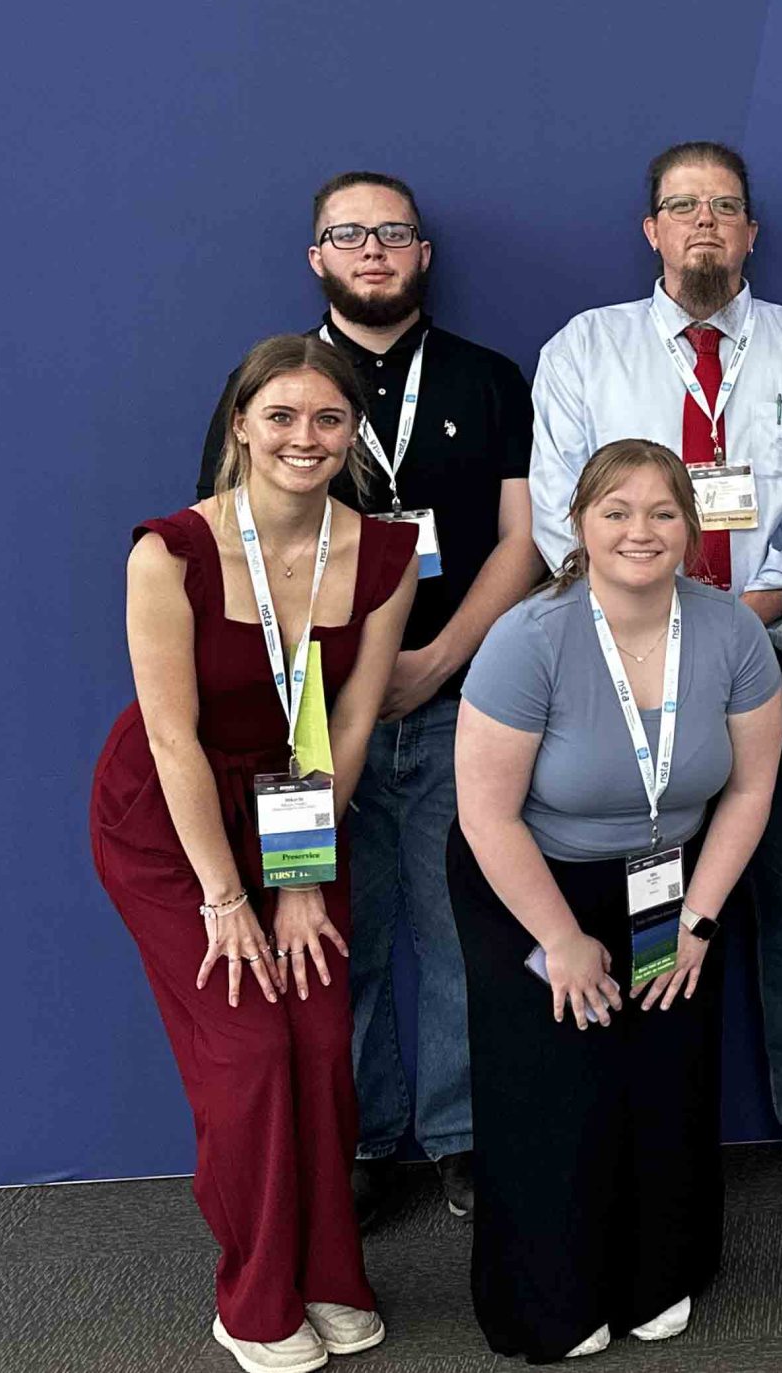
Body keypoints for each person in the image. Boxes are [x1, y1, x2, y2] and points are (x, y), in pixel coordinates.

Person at [194, 171, 542, 1228]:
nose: (374, 248)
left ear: (423, 252)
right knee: (334, 929)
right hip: (310, 713)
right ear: (317, 257)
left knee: (452, 928)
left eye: (394, 232)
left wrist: (435, 659)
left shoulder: (487, 379)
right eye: (349, 233)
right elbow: (231, 544)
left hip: (461, 699)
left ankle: (456, 1134)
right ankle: (351, 1134)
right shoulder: (278, 389)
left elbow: (525, 539)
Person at [527, 141, 782, 1218]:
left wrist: (734, 617)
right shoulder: (586, 350)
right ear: (652, 230)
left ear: (752, 232)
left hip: (772, 660)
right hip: (626, 671)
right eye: (684, 206)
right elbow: (557, 520)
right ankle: (639, 1127)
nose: (705, 223)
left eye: (725, 206)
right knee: (638, 902)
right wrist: (664, 616)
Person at [93, 335, 419, 1373]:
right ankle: (254, 1294)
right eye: (280, 415)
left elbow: (347, 724)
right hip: (169, 819)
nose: (304, 437)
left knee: (322, 1041)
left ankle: (328, 1273)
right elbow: (172, 735)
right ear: (240, 423)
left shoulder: (382, 552)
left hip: (295, 804)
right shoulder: (170, 550)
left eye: (328, 418)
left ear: (351, 433)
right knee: (247, 1055)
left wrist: (298, 882)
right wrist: (228, 896)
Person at [451, 440, 782, 1361]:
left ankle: (660, 1271)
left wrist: (698, 922)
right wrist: (560, 938)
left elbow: (750, 790)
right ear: (579, 525)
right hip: (533, 881)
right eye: (616, 512)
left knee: (665, 1071)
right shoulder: (530, 636)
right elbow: (485, 813)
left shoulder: (732, 632)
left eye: (663, 512)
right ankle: (550, 1293)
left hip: (671, 883)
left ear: (692, 525)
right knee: (562, 1082)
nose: (642, 530)